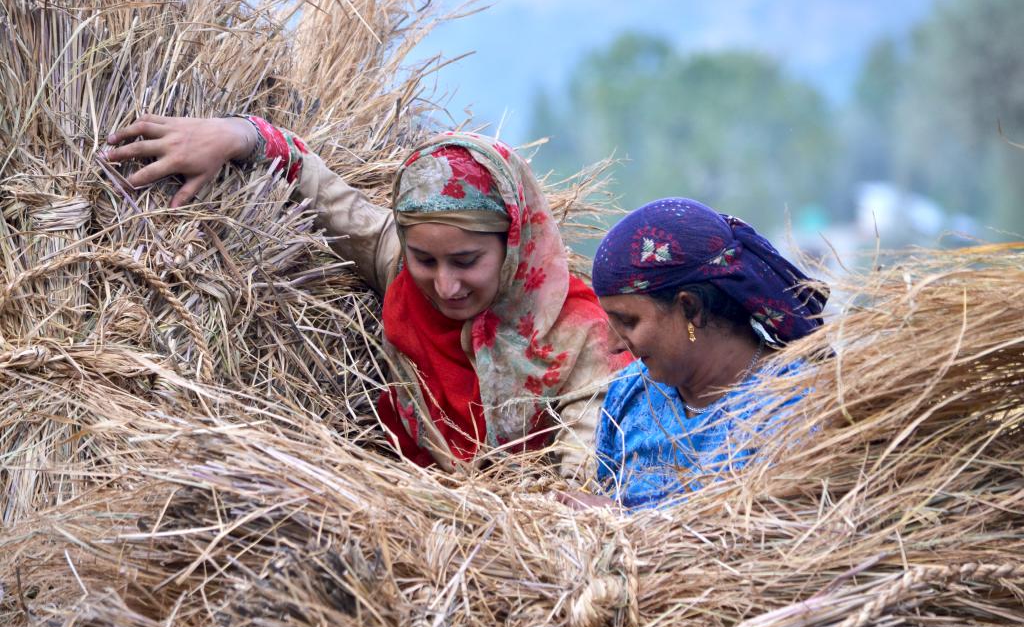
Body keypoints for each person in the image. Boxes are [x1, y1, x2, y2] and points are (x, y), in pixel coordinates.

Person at [103, 115, 630, 481]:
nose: (445, 286)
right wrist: (235, 135)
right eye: (426, 259)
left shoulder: (576, 337)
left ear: (513, 243)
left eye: (467, 262)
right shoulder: (398, 266)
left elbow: (581, 477)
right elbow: (320, 189)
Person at [564, 197, 827, 509]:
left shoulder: (792, 406)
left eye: (628, 321)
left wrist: (628, 525)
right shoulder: (628, 396)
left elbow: (774, 540)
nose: (613, 344)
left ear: (691, 308)